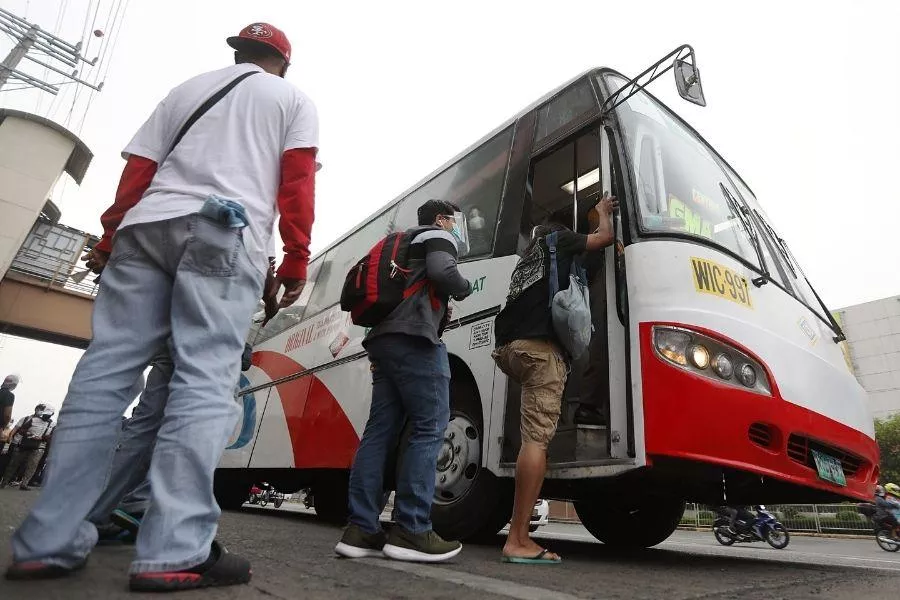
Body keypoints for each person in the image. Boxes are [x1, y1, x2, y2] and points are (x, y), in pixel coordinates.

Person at [6, 22, 319, 592]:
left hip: (146, 229)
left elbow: (139, 171)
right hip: (223, 230)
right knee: (203, 380)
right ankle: (175, 550)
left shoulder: (186, 89)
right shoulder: (291, 99)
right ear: (283, 62)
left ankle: (47, 540)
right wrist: (296, 255)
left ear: (237, 51)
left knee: (103, 373)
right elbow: (296, 180)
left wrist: (109, 236)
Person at [336, 199, 472, 563]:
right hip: (415, 340)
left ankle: (361, 528)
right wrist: (465, 286)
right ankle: (412, 528)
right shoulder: (436, 235)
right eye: (454, 221)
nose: (457, 227)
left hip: (382, 340)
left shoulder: (403, 240)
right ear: (443, 219)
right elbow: (444, 273)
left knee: (380, 430)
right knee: (430, 426)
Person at [492, 194, 617, 564]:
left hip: (510, 349)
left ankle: (517, 533)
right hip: (539, 350)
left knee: (530, 433)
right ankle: (518, 540)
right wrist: (605, 216)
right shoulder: (558, 240)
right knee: (536, 442)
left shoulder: (527, 259)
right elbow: (603, 239)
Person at [0, 404, 55, 490]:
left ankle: (24, 484)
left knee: (32, 466)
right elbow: (21, 430)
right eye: (45, 414)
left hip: (39, 447)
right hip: (25, 445)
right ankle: (4, 482)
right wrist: (30, 434)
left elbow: (51, 436)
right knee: (14, 464)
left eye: (48, 415)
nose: (45, 416)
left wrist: (42, 438)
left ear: (52, 414)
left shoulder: (52, 425)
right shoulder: (33, 420)